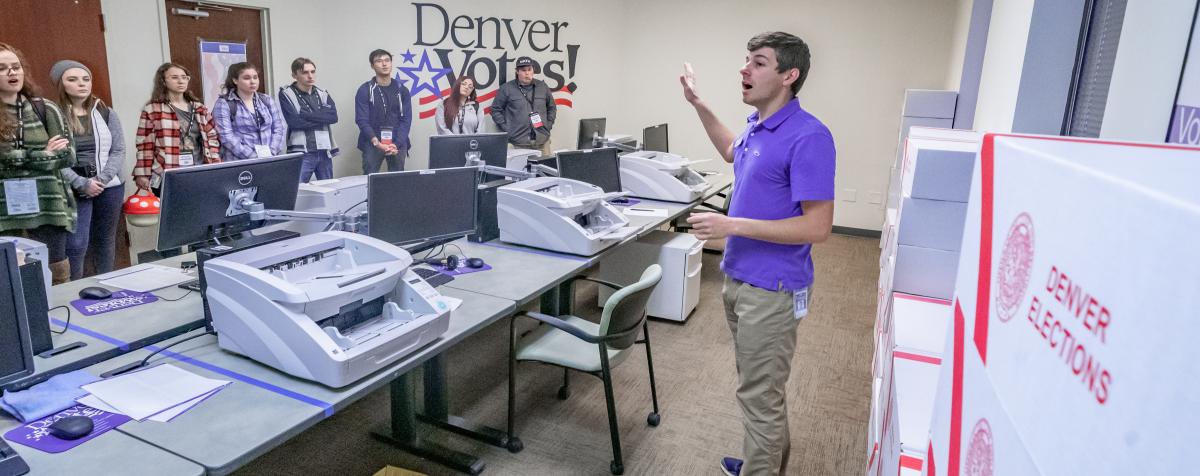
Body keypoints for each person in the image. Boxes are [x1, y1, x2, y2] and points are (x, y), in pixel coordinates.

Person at [681, 32, 836, 476]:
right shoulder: (758, 125)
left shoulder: (809, 137)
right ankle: (762, 464)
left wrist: (730, 225)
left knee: (759, 396)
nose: (745, 70)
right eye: (746, 60)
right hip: (739, 280)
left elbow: (818, 227)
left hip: (772, 290)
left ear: (790, 75)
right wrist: (698, 103)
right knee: (762, 389)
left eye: (759, 63)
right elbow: (732, 150)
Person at [0, 43, 76, 284]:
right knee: (13, 278)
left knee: (56, 275)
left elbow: (68, 156)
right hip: (6, 213)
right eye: (2, 68)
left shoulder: (45, 108)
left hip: (49, 207)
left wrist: (19, 157)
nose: (12, 73)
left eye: (16, 67)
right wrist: (42, 154)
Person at [52, 60, 125, 280]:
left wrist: (101, 180)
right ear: (61, 84)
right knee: (76, 243)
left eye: (86, 79)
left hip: (109, 186)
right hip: (74, 187)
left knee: (105, 239)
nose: (81, 84)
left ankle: (107, 283)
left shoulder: (106, 112)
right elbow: (55, 157)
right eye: (72, 80)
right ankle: (73, 289)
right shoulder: (53, 114)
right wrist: (81, 183)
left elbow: (119, 149)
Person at [133, 62, 221, 197]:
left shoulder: (199, 108)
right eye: (174, 77)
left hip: (199, 170)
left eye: (184, 77)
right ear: (163, 81)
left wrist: (215, 165)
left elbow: (212, 139)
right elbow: (145, 146)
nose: (181, 81)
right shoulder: (153, 109)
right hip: (168, 171)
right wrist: (142, 174)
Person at [278, 57, 339, 182]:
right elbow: (295, 122)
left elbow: (333, 117)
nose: (310, 76)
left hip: (324, 150)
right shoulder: (286, 93)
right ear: (294, 75)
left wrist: (305, 115)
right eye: (305, 72)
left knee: (329, 189)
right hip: (302, 152)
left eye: (313, 71)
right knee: (298, 190)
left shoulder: (323, 93)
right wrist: (322, 116)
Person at [213, 62, 286, 162]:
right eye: (247, 78)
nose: (253, 81)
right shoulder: (224, 103)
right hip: (239, 162)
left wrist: (272, 152)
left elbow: (278, 128)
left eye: (255, 77)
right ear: (235, 80)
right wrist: (254, 157)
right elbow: (226, 136)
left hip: (269, 158)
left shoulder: (266, 99)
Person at [354, 49, 412, 174]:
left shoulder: (402, 90)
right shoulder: (365, 90)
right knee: (369, 180)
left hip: (397, 142)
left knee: (397, 181)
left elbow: (406, 120)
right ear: (372, 66)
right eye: (379, 61)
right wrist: (376, 142)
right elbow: (361, 120)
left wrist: (397, 143)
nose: (384, 64)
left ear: (391, 63)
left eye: (387, 60)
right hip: (373, 142)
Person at [490, 56, 555, 156]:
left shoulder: (542, 87)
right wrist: (507, 129)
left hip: (542, 141)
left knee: (545, 170)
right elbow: (495, 110)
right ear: (517, 71)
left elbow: (551, 108)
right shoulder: (506, 88)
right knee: (520, 171)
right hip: (518, 143)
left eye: (529, 70)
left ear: (533, 70)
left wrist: (548, 126)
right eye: (523, 70)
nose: (527, 73)